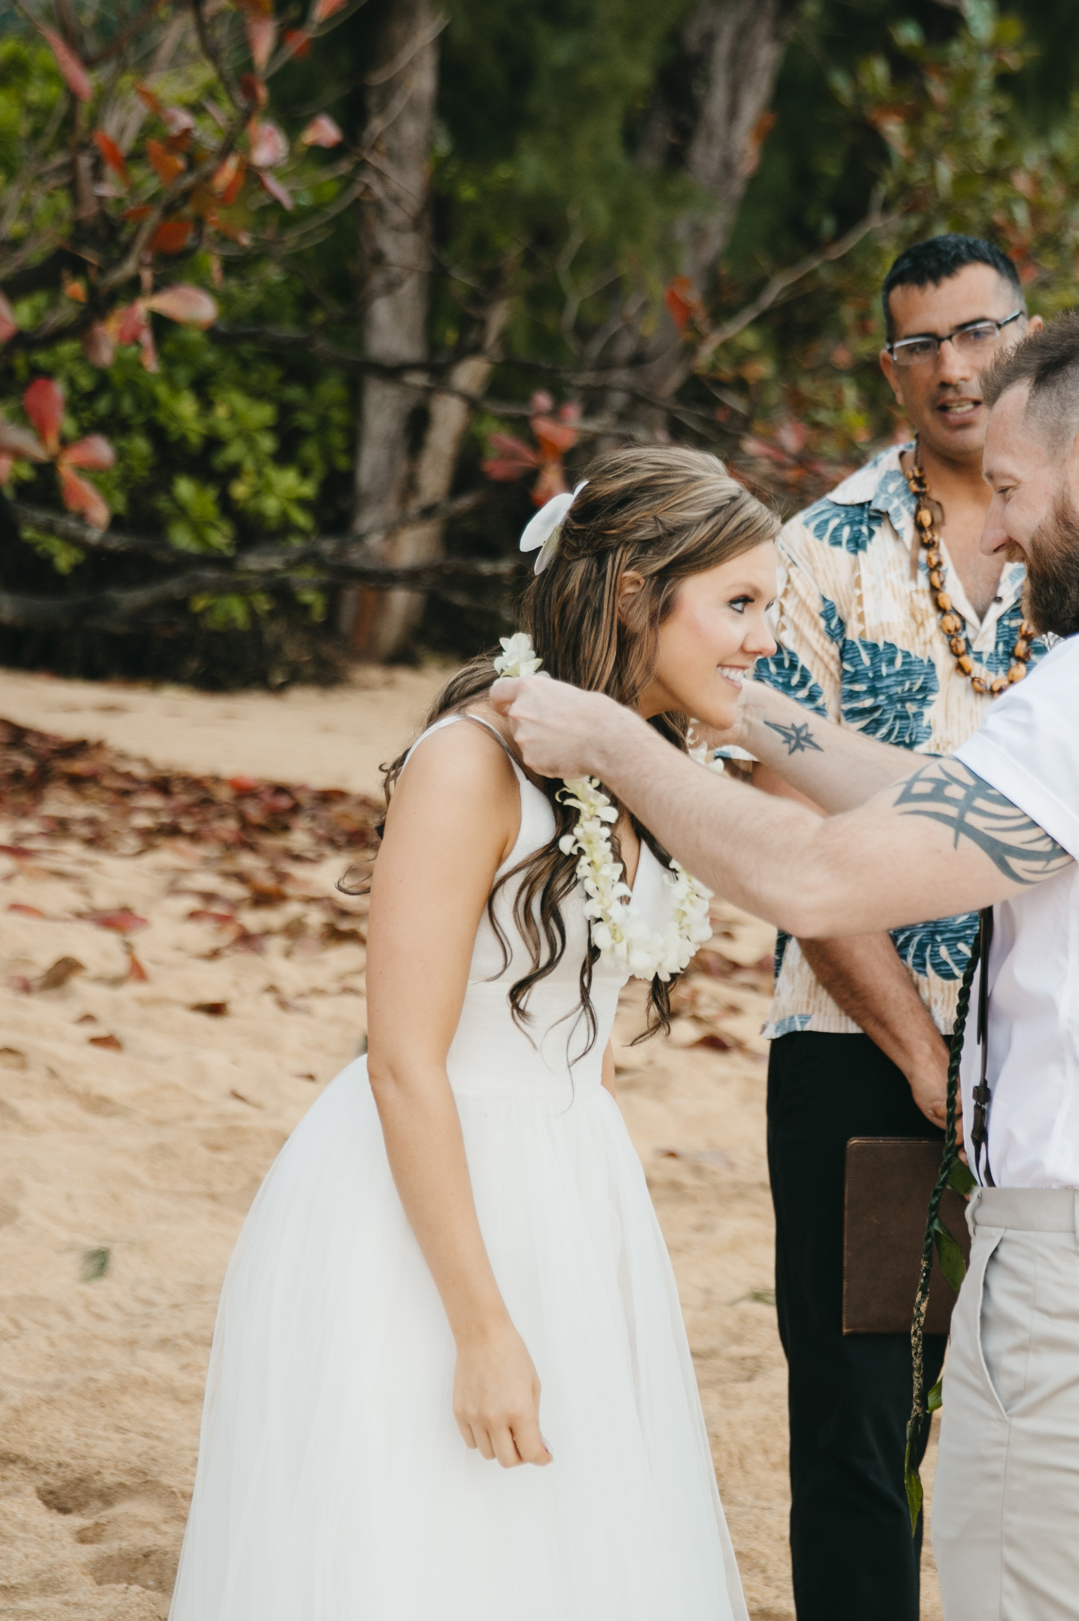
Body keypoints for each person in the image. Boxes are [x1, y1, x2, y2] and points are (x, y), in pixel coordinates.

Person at [493, 315, 1079, 1621]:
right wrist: (735, 705)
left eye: (1012, 488)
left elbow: (816, 876)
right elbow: (950, 791)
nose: (994, 531)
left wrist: (612, 739)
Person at [166, 448, 780, 1621]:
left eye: (769, 607)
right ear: (635, 590)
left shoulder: (646, 761)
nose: (761, 637)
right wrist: (483, 1323)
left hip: (572, 1178)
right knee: (423, 1546)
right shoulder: (471, 762)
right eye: (739, 603)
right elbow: (400, 1060)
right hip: (423, 1200)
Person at [746, 233, 1046, 1621]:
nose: (956, 368)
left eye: (979, 331)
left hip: (1051, 1049)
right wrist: (922, 1052)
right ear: (890, 370)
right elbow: (792, 834)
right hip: (862, 1051)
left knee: (1030, 1415)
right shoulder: (820, 555)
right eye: (921, 344)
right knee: (868, 1428)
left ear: (1028, 334)